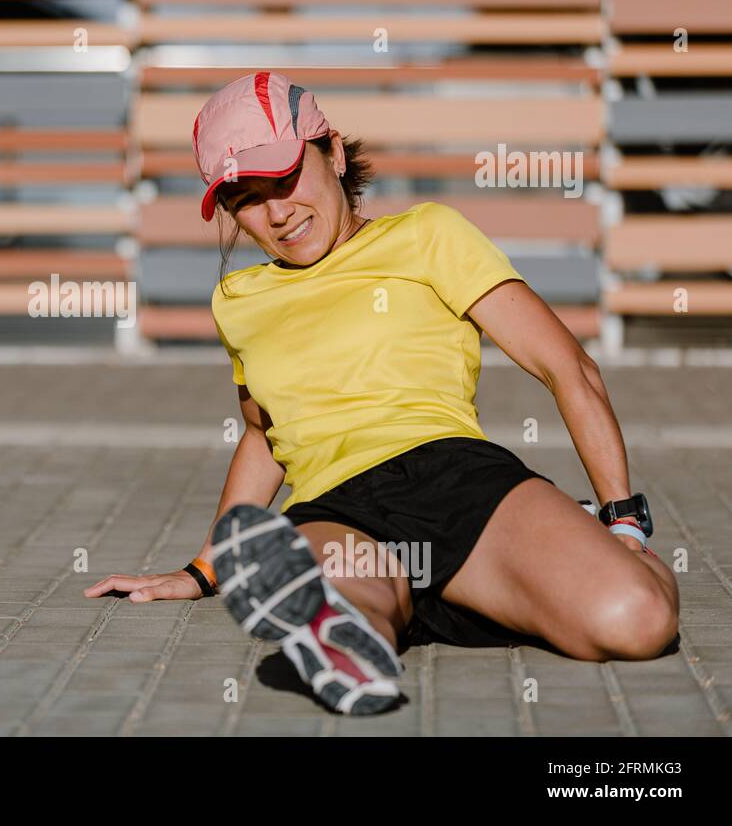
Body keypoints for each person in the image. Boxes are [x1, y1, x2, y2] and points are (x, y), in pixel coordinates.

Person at [84, 71, 680, 715]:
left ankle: (584, 549)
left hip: (457, 483)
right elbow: (265, 435)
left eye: (284, 178)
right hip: (333, 509)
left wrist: (623, 519)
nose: (276, 213)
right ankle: (344, 639)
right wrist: (203, 570)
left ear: (333, 153)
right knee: (344, 601)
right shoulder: (239, 300)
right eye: (246, 200)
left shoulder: (427, 236)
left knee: (637, 620)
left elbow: (569, 369)